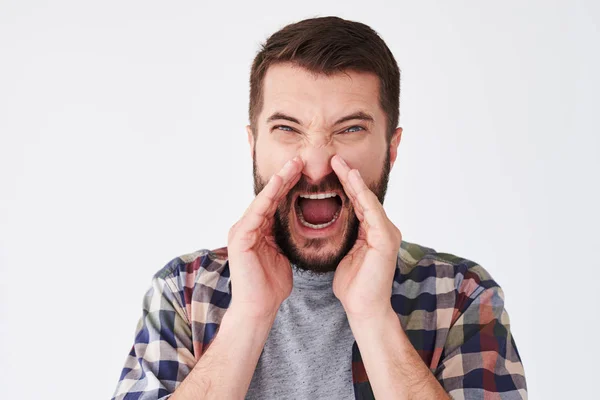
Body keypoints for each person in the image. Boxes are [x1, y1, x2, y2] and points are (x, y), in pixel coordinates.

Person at [111, 16, 527, 400]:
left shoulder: (461, 296)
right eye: (287, 129)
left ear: (392, 149)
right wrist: (249, 317)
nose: (315, 164)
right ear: (254, 145)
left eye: (350, 129)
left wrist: (373, 318)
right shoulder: (184, 293)